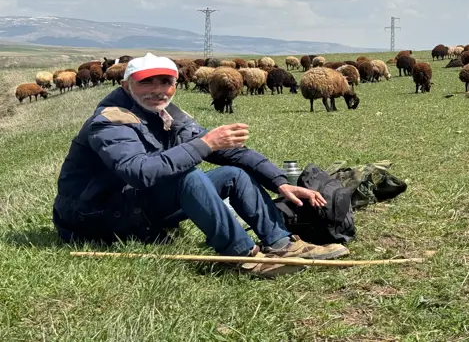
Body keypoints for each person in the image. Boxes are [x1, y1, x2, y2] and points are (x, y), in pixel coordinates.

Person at [52, 52, 349, 277]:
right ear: (126, 85)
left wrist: (281, 182)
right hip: (94, 215)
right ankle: (243, 255)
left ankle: (281, 244)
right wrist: (205, 144)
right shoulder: (110, 121)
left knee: (233, 174)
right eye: (147, 82)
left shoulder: (166, 114)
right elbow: (139, 171)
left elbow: (231, 153)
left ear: (175, 85)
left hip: (132, 203)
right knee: (187, 176)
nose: (158, 90)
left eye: (166, 82)